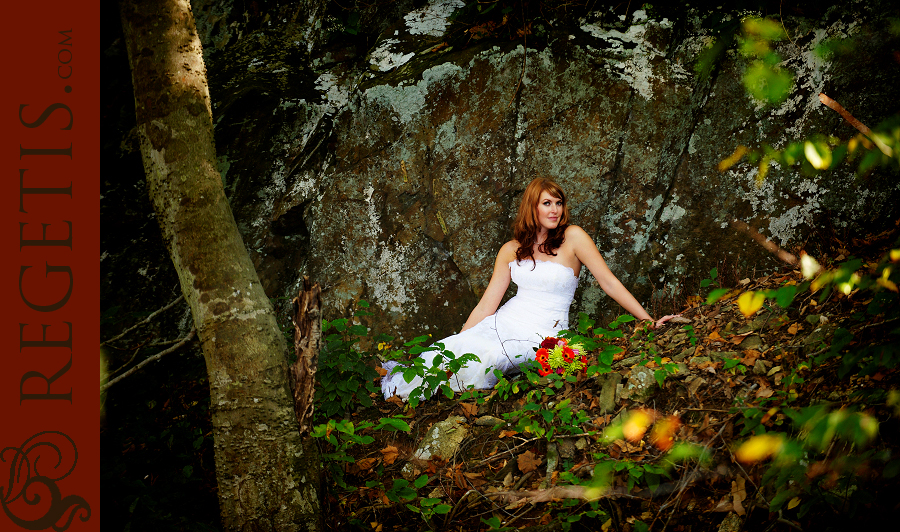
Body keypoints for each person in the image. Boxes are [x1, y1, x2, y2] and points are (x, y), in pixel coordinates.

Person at [381, 177, 671, 401]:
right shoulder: (511, 249)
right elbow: (487, 305)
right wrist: (462, 337)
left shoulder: (573, 238)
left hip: (545, 332)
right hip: (504, 321)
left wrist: (647, 320)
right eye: (547, 203)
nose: (555, 210)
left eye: (559, 203)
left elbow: (609, 282)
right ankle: (407, 392)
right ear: (532, 207)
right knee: (448, 352)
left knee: (486, 359)